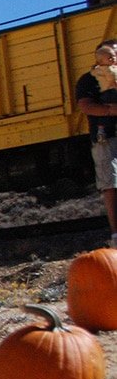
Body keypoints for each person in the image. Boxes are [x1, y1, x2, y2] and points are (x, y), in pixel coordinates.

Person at [74, 40, 117, 247]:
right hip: (106, 136)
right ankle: (116, 234)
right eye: (109, 54)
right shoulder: (89, 80)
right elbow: (86, 105)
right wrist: (110, 110)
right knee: (111, 184)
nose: (113, 58)